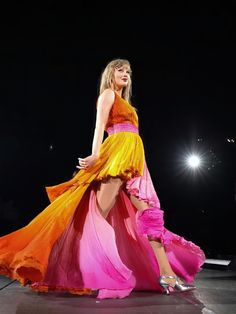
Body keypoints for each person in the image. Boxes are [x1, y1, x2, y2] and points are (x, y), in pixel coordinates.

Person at [0, 58, 205, 299]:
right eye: (120, 69)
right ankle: (72, 269)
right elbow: (99, 126)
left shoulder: (126, 103)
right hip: (116, 158)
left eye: (128, 70)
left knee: (151, 218)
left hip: (134, 161)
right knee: (98, 216)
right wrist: (96, 155)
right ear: (110, 73)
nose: (126, 73)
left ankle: (167, 275)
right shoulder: (108, 94)